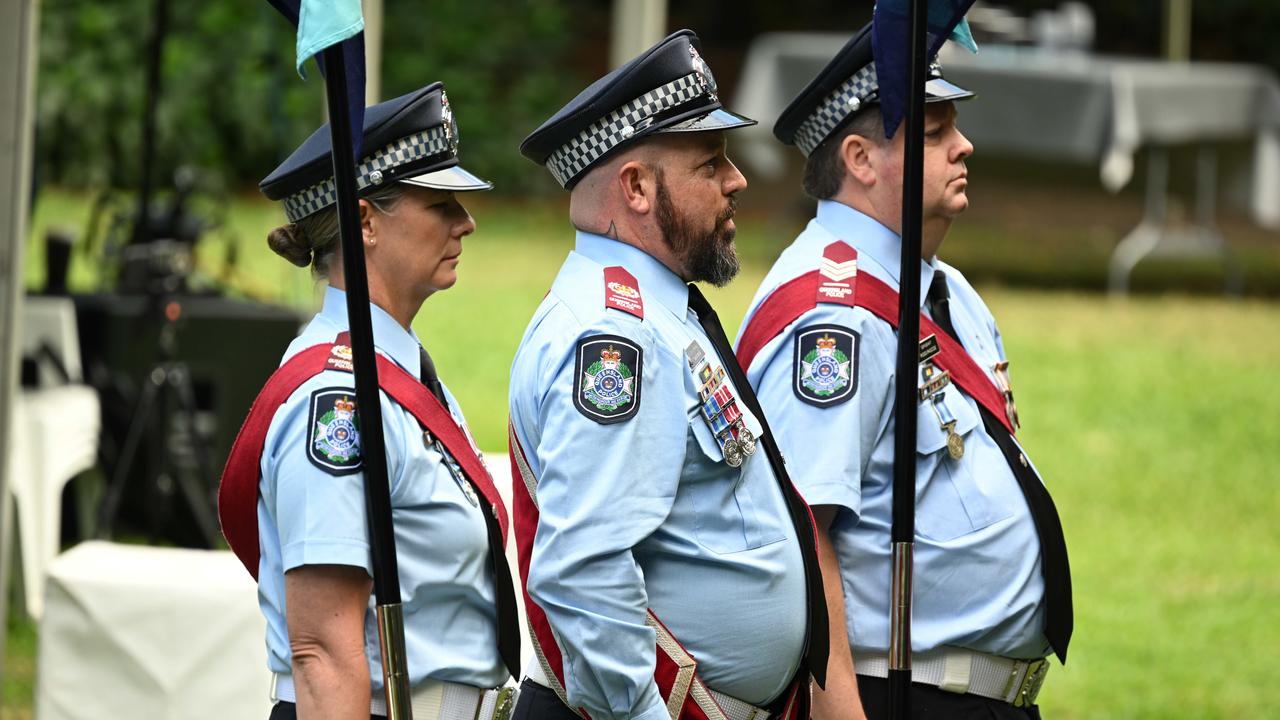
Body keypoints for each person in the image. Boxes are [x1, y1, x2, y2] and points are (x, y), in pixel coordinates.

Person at [735, 24, 1073, 720]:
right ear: (860, 158)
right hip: (901, 696)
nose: (964, 146)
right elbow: (802, 537)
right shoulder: (833, 319)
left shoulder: (943, 288)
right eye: (935, 131)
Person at [507, 30, 829, 720]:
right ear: (637, 188)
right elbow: (583, 571)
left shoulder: (656, 313)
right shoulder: (616, 335)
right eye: (710, 164)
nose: (737, 179)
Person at [216, 82, 521, 720]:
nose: (466, 220)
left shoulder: (394, 369)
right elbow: (323, 650)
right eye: (441, 201)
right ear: (363, 222)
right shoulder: (338, 398)